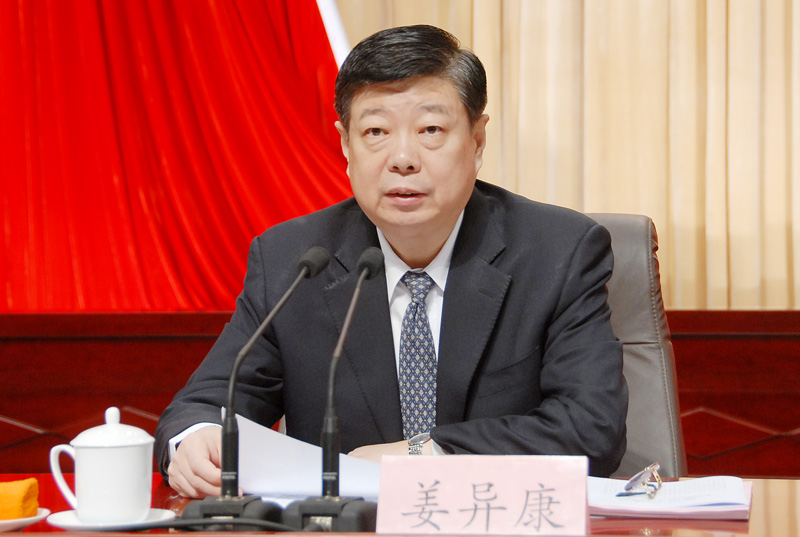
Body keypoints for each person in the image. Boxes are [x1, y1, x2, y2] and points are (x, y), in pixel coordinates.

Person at [155, 24, 628, 499]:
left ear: (478, 140)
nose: (403, 158)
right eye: (376, 132)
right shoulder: (294, 260)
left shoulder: (557, 251)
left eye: (431, 130)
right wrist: (193, 439)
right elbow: (205, 404)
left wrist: (424, 453)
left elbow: (590, 428)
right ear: (346, 144)